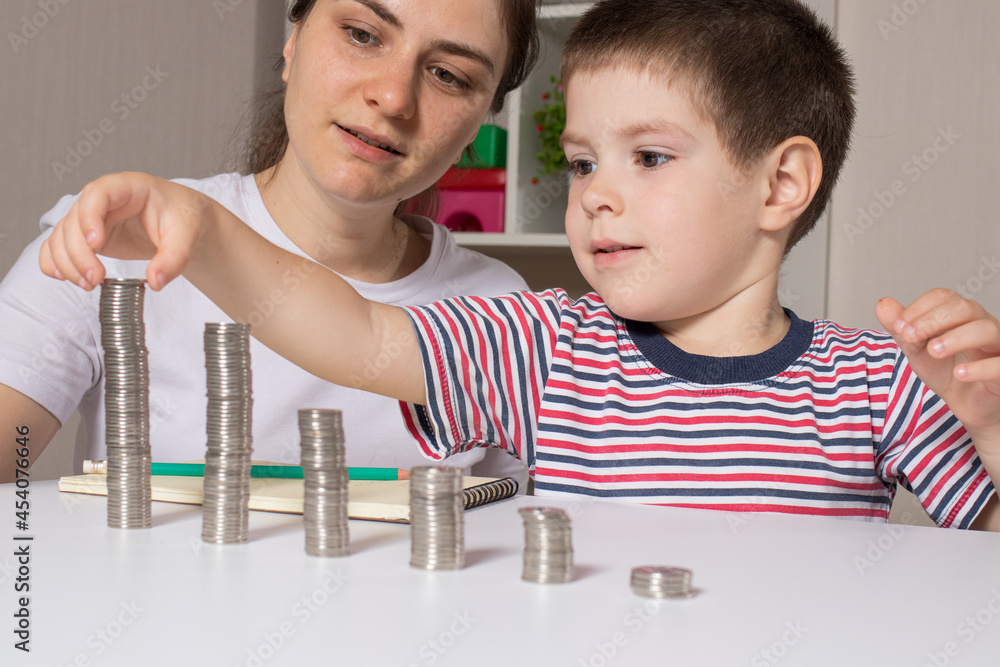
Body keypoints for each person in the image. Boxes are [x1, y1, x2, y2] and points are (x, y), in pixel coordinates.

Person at [39, 0, 1000, 530]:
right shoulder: (543, 343)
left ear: (781, 183)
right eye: (581, 162)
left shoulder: (885, 382)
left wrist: (994, 428)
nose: (595, 195)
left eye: (649, 157)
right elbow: (354, 329)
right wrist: (203, 230)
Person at [0, 0, 541, 484]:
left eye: (448, 74)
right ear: (293, 41)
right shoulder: (112, 234)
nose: (394, 97)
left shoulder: (501, 313)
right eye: (362, 35)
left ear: (480, 123)